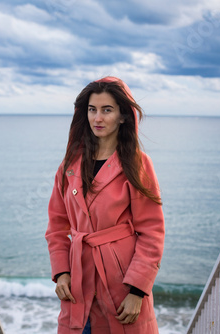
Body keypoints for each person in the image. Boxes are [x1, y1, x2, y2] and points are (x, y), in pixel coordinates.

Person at [45, 76, 165, 334]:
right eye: (92, 110)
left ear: (123, 116)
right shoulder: (69, 166)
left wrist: (137, 290)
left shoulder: (137, 164)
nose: (97, 118)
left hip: (121, 285)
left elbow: (151, 233)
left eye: (106, 110)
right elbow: (56, 226)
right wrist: (61, 272)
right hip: (78, 284)